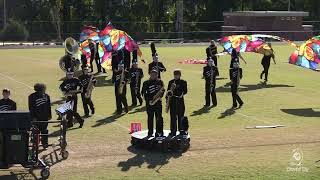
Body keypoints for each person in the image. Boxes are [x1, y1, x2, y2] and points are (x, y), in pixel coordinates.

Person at [141, 69, 165, 137]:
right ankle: (150, 132)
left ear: (157, 75)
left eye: (155, 75)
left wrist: (159, 97)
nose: (154, 76)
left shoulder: (160, 82)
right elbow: (143, 92)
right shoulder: (146, 83)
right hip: (150, 103)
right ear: (150, 75)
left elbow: (162, 90)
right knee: (150, 118)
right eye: (152, 75)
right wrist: (149, 100)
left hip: (158, 103)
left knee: (159, 117)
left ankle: (159, 132)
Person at [28, 83, 52, 149]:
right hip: (36, 118)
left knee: (44, 131)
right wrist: (33, 117)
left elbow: (48, 107)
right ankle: (35, 145)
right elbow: (31, 108)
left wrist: (49, 115)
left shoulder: (47, 96)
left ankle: (45, 144)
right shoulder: (32, 96)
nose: (45, 89)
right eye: (44, 88)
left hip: (45, 117)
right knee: (36, 131)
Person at [167, 69, 188, 136]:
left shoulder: (183, 82)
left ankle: (181, 130)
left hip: (180, 101)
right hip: (172, 102)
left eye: (177, 75)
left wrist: (180, 93)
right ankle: (173, 131)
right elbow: (168, 91)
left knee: (180, 116)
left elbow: (185, 91)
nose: (176, 76)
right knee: (173, 117)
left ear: (180, 75)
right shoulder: (171, 82)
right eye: (175, 75)